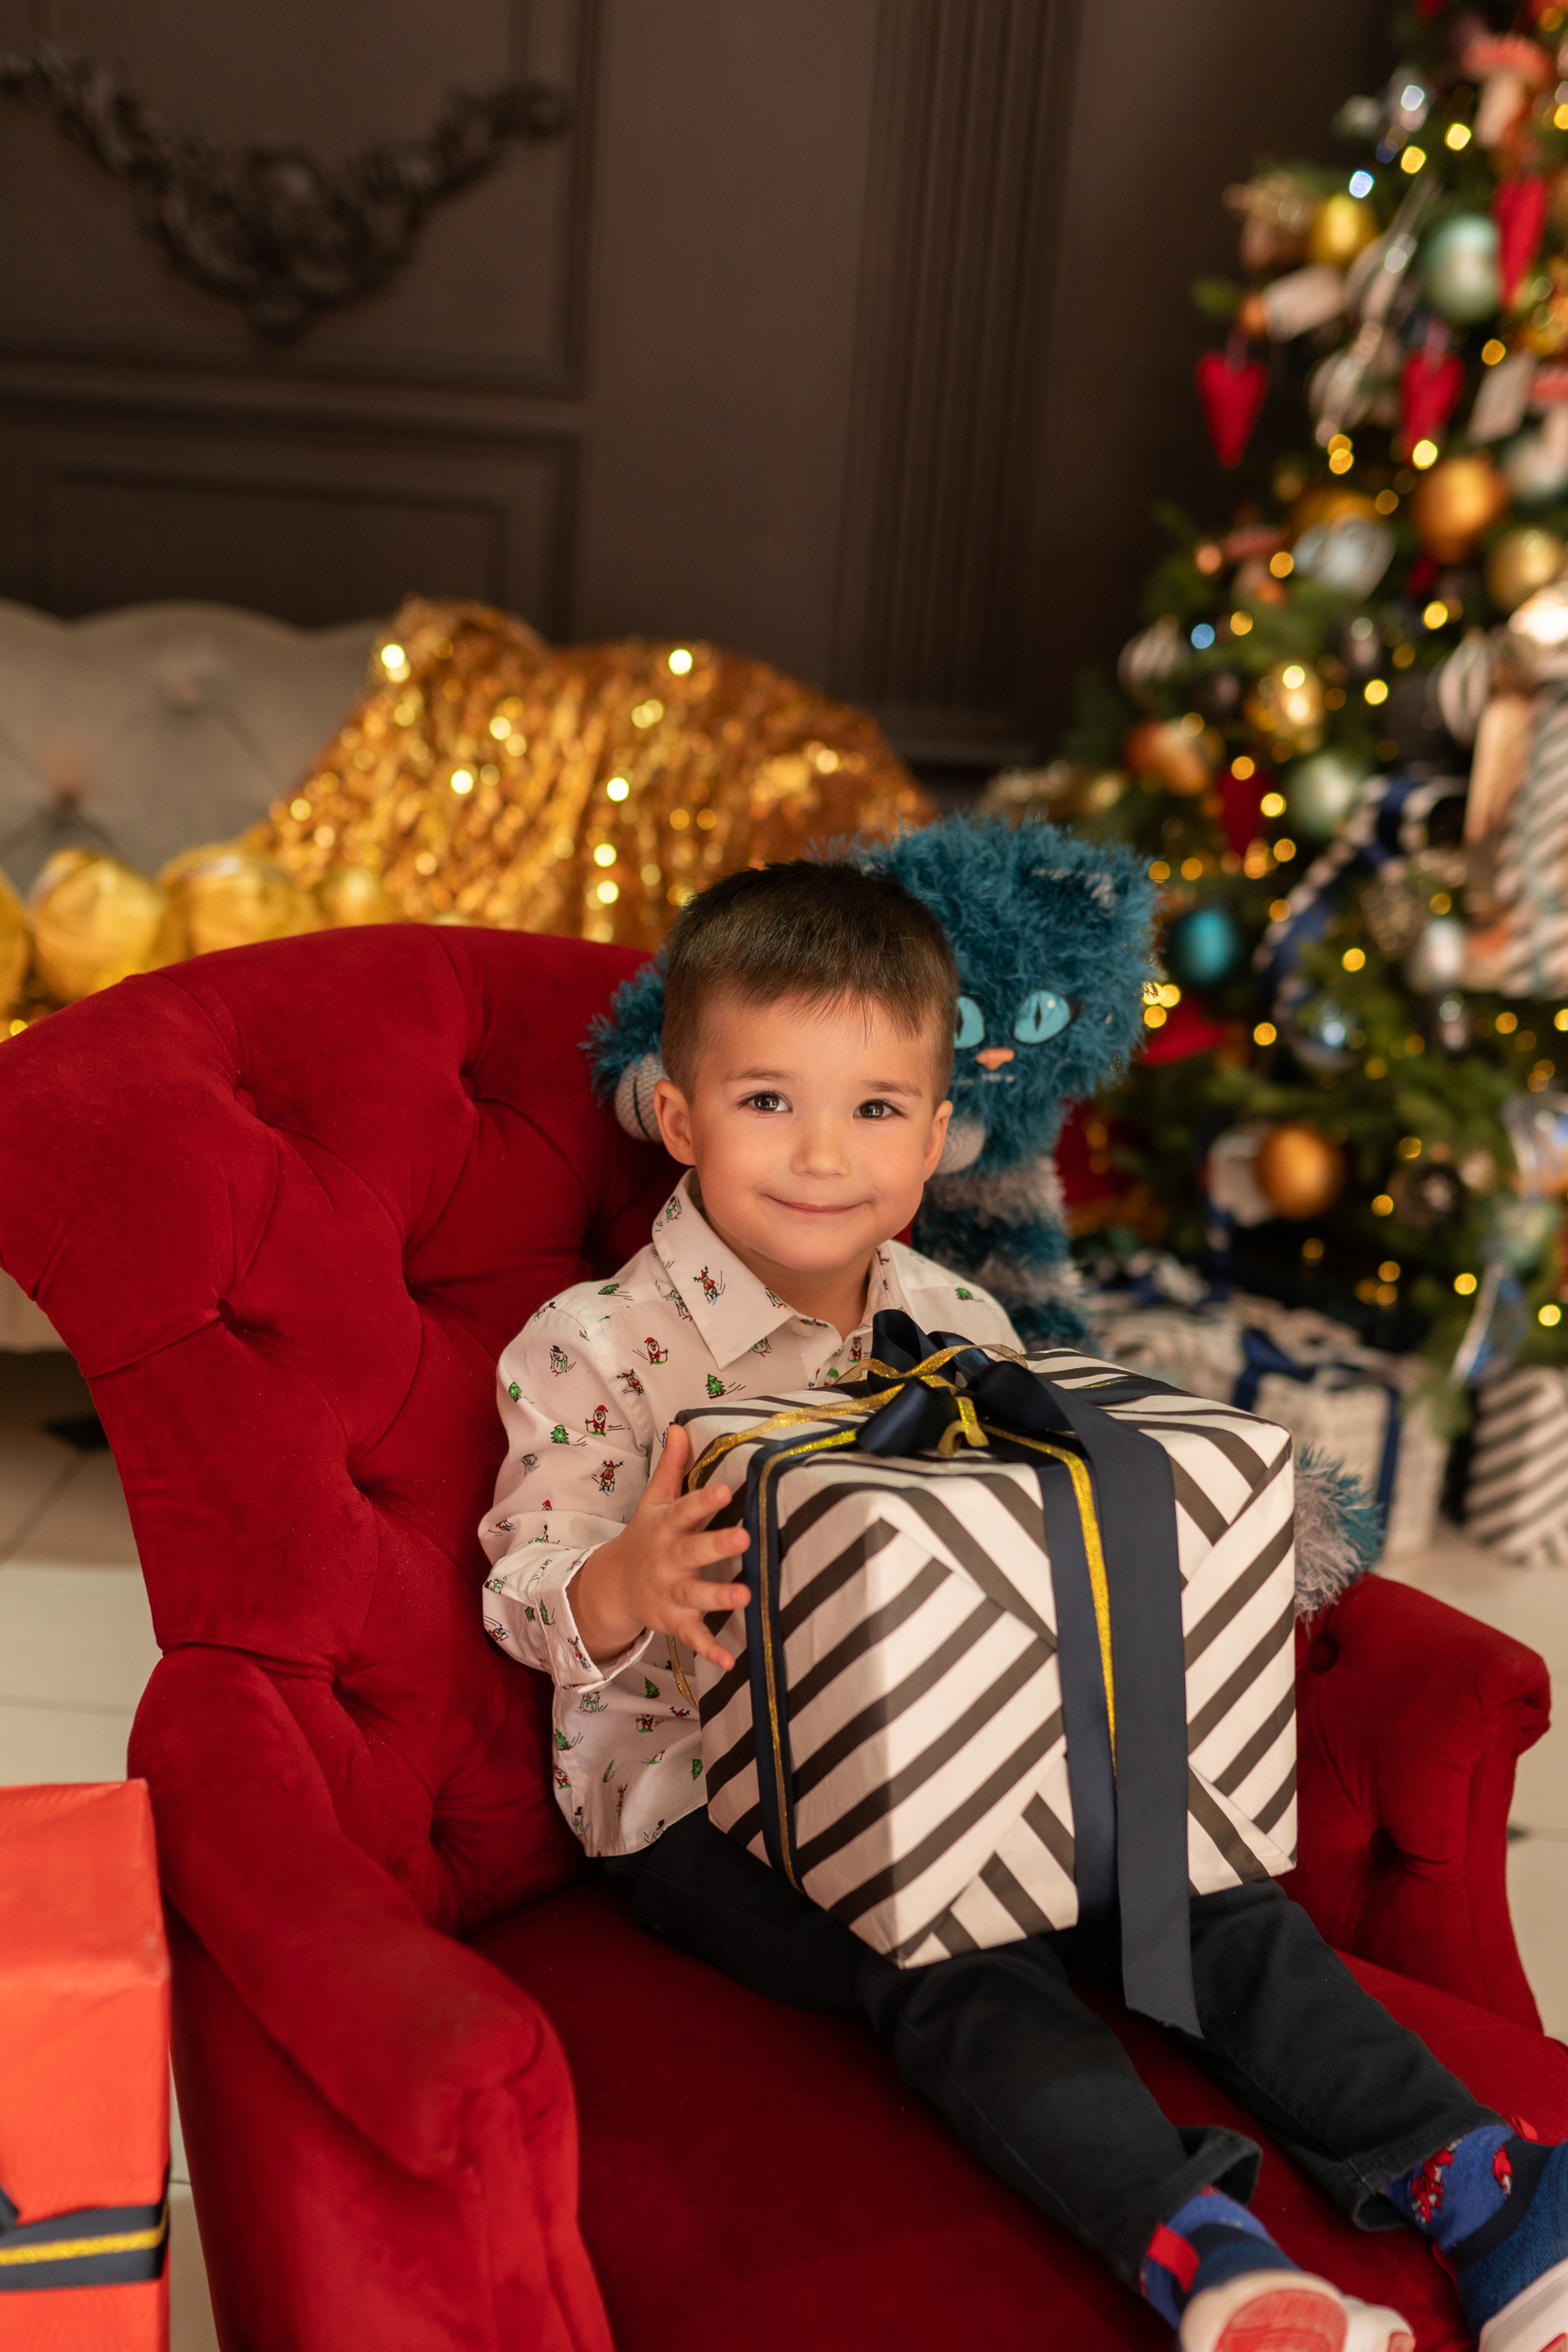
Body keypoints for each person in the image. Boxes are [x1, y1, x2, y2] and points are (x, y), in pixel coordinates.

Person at [480, 858, 1568, 2352]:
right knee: (945, 1947)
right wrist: (624, 1581)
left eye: (872, 1109)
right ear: (677, 1117)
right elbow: (517, 1589)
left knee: (1206, 1894)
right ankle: (1201, 2253)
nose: (820, 1155)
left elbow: (1046, 1537)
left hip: (995, 1759)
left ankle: (1479, 2182)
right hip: (697, 1806)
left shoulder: (961, 1324)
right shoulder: (591, 1348)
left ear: (935, 1138)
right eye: (766, 1101)